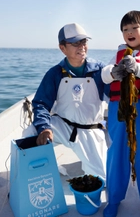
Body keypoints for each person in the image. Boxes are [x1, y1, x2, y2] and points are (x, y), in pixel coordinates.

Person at [101, 11, 140, 217]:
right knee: (116, 154)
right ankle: (114, 200)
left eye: (134, 28)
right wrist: (113, 72)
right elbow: (104, 73)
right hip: (120, 112)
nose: (129, 32)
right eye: (125, 29)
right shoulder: (118, 56)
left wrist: (137, 67)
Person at [31, 23, 108, 182]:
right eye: (75, 43)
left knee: (102, 180)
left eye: (84, 42)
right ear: (62, 48)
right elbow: (40, 104)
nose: (82, 46)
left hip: (90, 130)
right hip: (62, 126)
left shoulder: (100, 70)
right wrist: (44, 128)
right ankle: (34, 174)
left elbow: (115, 96)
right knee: (30, 134)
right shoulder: (55, 73)